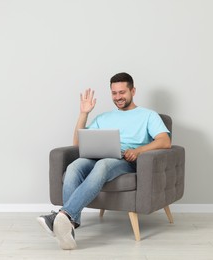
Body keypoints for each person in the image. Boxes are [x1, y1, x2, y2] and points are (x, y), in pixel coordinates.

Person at [37, 72, 171, 250]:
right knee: (74, 166)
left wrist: (138, 150)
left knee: (103, 164)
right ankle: (69, 226)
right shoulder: (103, 118)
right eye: (114, 93)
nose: (118, 97)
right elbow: (77, 144)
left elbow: (165, 141)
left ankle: (63, 216)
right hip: (98, 155)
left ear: (133, 91)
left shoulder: (148, 115)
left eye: (122, 92)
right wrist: (83, 113)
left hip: (125, 160)